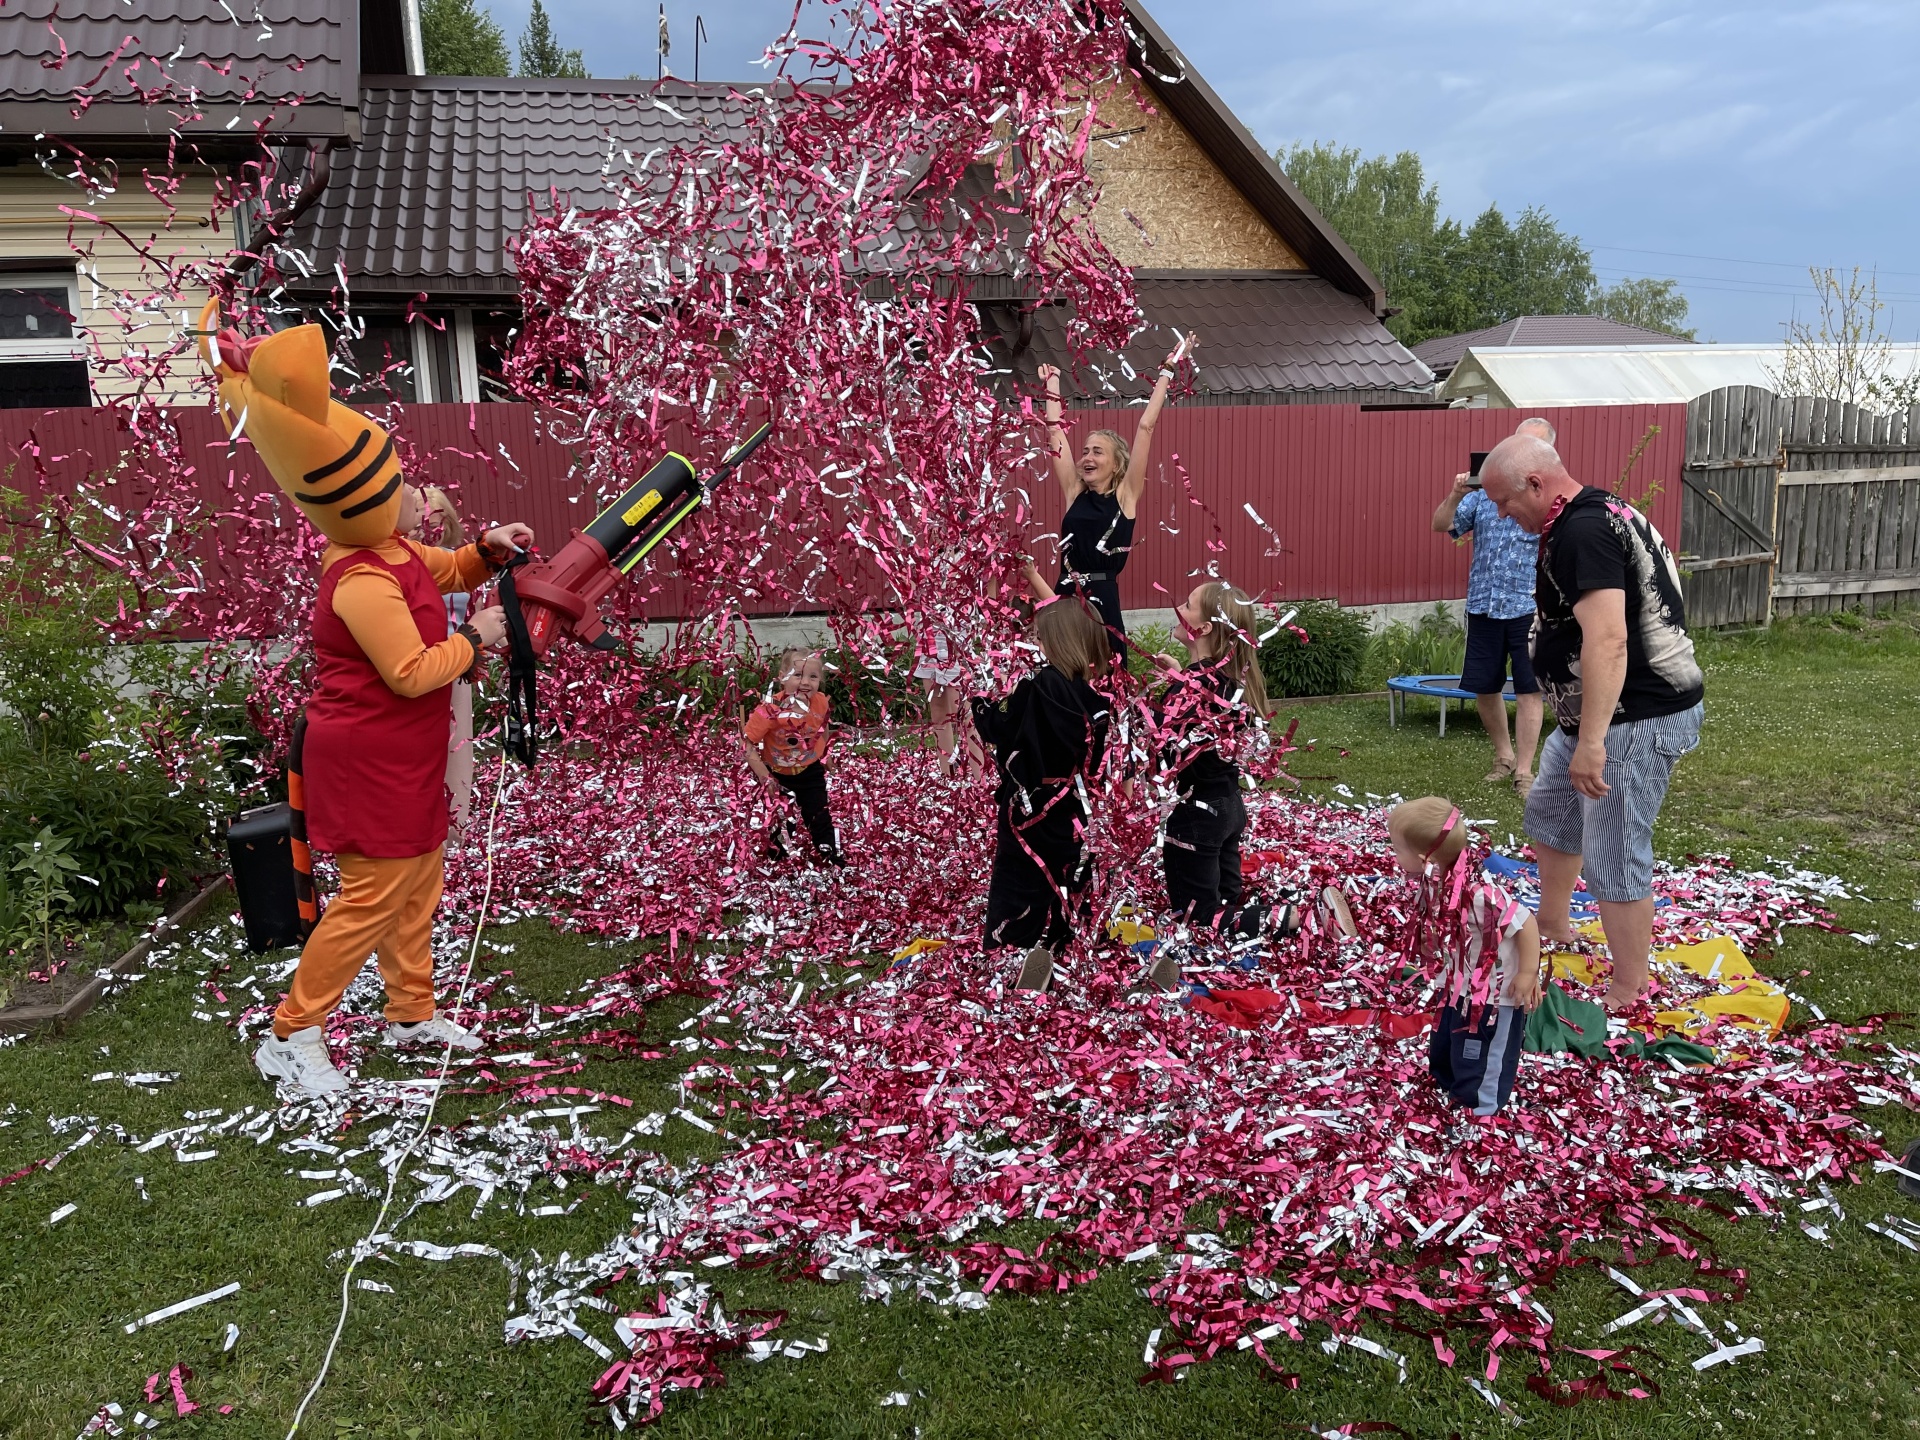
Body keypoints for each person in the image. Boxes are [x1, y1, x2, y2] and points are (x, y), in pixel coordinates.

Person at [198, 303, 529, 1096]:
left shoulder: (392, 547)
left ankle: (410, 1012)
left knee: (418, 886)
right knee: (371, 900)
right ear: (352, 499)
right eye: (393, 485)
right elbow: (414, 671)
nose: (408, 492)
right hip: (366, 757)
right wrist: (481, 637)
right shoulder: (359, 578)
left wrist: (486, 553)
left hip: (406, 754)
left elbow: (445, 570)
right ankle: (293, 1032)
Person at [1479, 433, 1704, 1011]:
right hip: (1592, 719)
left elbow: (1608, 639)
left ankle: (1628, 988)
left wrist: (1595, 742)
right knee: (1552, 809)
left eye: (1505, 501)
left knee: (1616, 849)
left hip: (1633, 719)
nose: (1502, 515)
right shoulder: (1590, 513)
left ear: (1535, 483)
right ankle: (1553, 921)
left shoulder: (1582, 531)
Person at [970, 597, 1113, 993]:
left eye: (1035, 636)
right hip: (1076, 812)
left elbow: (1004, 731)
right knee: (1067, 879)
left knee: (1020, 880)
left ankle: (1012, 950)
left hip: (1032, 809)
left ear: (1052, 640)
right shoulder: (1094, 698)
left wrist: (980, 702)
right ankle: (1062, 945)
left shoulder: (1037, 687)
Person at [1036, 336, 1197, 664]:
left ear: (1116, 463)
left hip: (1102, 598)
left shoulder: (1126, 495)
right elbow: (1055, 432)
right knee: (1061, 672)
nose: (1087, 457)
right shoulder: (1074, 491)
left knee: (1105, 677)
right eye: (1085, 451)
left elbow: (1146, 426)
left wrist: (1168, 368)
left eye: (1097, 451)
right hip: (1066, 593)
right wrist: (1052, 384)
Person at [1389, 798, 1543, 1117]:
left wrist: (1528, 973)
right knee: (1448, 1045)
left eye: (1397, 849)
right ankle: (1447, 1087)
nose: (1394, 856)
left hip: (1495, 999)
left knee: (1482, 1055)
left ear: (1422, 859)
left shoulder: (1479, 895)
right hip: (1460, 989)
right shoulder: (1436, 885)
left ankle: (1480, 1107)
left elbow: (1526, 923)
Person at [1431, 417, 1555, 795]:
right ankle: (1502, 756)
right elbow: (1441, 525)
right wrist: (1455, 493)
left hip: (1527, 606)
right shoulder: (1484, 494)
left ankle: (1524, 769)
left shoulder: (1549, 500)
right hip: (1484, 604)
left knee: (1529, 690)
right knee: (1485, 686)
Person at [402, 484, 476, 836]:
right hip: (425, 663)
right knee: (428, 750)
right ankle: (431, 825)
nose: (420, 524)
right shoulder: (406, 562)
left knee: (457, 746)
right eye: (417, 516)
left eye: (428, 517)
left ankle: (457, 827)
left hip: (453, 663)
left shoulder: (447, 561)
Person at [743, 648, 842, 866]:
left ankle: (829, 856)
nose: (805, 682)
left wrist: (825, 756)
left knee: (819, 815)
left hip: (810, 771)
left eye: (813, 677)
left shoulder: (820, 703)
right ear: (782, 678)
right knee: (781, 821)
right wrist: (763, 776)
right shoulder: (770, 709)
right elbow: (747, 742)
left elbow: (822, 729)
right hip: (777, 775)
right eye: (798, 675)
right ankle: (777, 861)